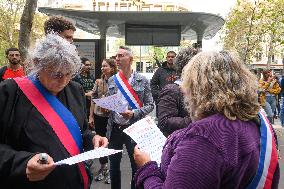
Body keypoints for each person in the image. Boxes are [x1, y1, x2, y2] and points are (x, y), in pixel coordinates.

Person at [134, 51, 280, 189]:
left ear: (198, 88)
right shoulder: (258, 121)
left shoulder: (204, 136)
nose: (184, 90)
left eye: (187, 83)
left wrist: (147, 168)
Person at [0, 34, 108, 189]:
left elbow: (80, 130)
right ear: (38, 63)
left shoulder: (75, 90)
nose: (63, 81)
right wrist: (21, 163)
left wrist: (92, 139)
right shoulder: (10, 92)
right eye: (56, 74)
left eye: (69, 74)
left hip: (75, 181)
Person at [107, 46, 154, 189]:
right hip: (115, 128)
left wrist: (134, 113)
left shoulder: (142, 80)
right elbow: (111, 103)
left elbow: (150, 104)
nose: (117, 59)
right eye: (116, 56)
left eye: (121, 56)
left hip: (134, 129)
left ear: (130, 59)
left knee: (136, 167)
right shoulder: (112, 80)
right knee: (113, 166)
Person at [89, 58, 117, 184]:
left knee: (112, 143)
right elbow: (93, 100)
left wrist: (110, 107)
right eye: (102, 66)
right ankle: (103, 167)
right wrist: (91, 116)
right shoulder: (98, 82)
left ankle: (112, 170)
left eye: (105, 66)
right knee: (100, 142)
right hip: (99, 116)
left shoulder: (118, 82)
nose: (102, 68)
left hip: (112, 118)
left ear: (112, 68)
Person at [157, 47, 197, 137]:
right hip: (179, 143)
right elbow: (164, 122)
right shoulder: (171, 90)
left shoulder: (200, 88)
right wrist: (197, 119)